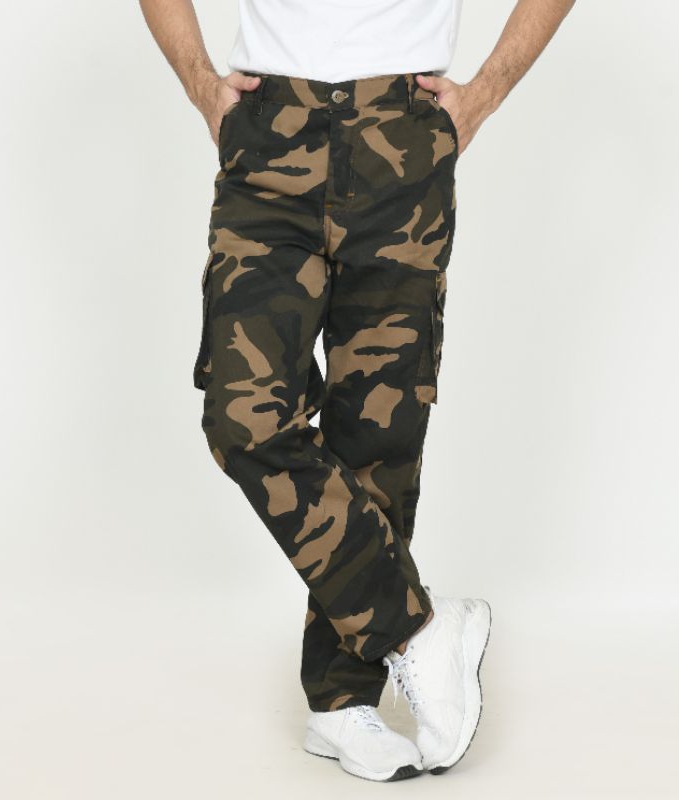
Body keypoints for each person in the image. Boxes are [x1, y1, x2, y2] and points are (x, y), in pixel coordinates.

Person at [140, 0, 575, 782]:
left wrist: (484, 93)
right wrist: (201, 82)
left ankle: (342, 700)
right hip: (269, 133)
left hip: (401, 134)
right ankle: (420, 629)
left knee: (378, 431)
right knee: (244, 416)